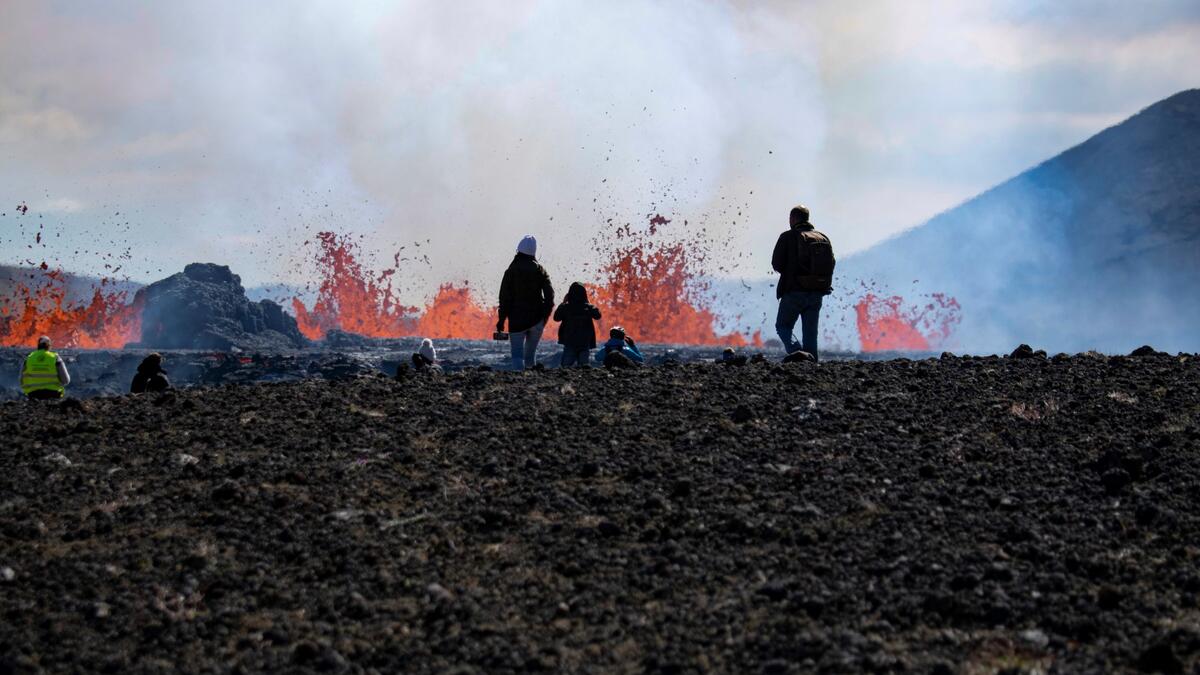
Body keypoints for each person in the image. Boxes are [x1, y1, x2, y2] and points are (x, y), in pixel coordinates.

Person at [771, 204, 835, 361]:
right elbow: (832, 262)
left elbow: (777, 264)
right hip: (817, 292)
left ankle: (798, 353)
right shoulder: (822, 237)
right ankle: (812, 365)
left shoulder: (787, 237)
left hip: (794, 291)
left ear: (793, 218)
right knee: (811, 334)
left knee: (783, 326)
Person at [497, 235, 555, 370]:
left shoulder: (511, 271)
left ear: (518, 251)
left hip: (517, 321)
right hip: (536, 320)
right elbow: (550, 296)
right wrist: (544, 317)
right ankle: (531, 384)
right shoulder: (540, 270)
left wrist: (501, 320)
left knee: (517, 356)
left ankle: (518, 385)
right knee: (530, 356)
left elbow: (504, 298)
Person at [553, 282, 602, 367]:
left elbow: (556, 318)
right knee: (584, 367)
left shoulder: (566, 307)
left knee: (566, 367)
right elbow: (598, 315)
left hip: (569, 341)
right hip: (584, 342)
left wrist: (563, 303)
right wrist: (589, 303)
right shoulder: (588, 307)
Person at [20, 335, 70, 400]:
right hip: (53, 395)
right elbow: (66, 380)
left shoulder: (29, 358)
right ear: (49, 346)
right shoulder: (55, 358)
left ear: (38, 346)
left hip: (33, 395)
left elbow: (21, 380)